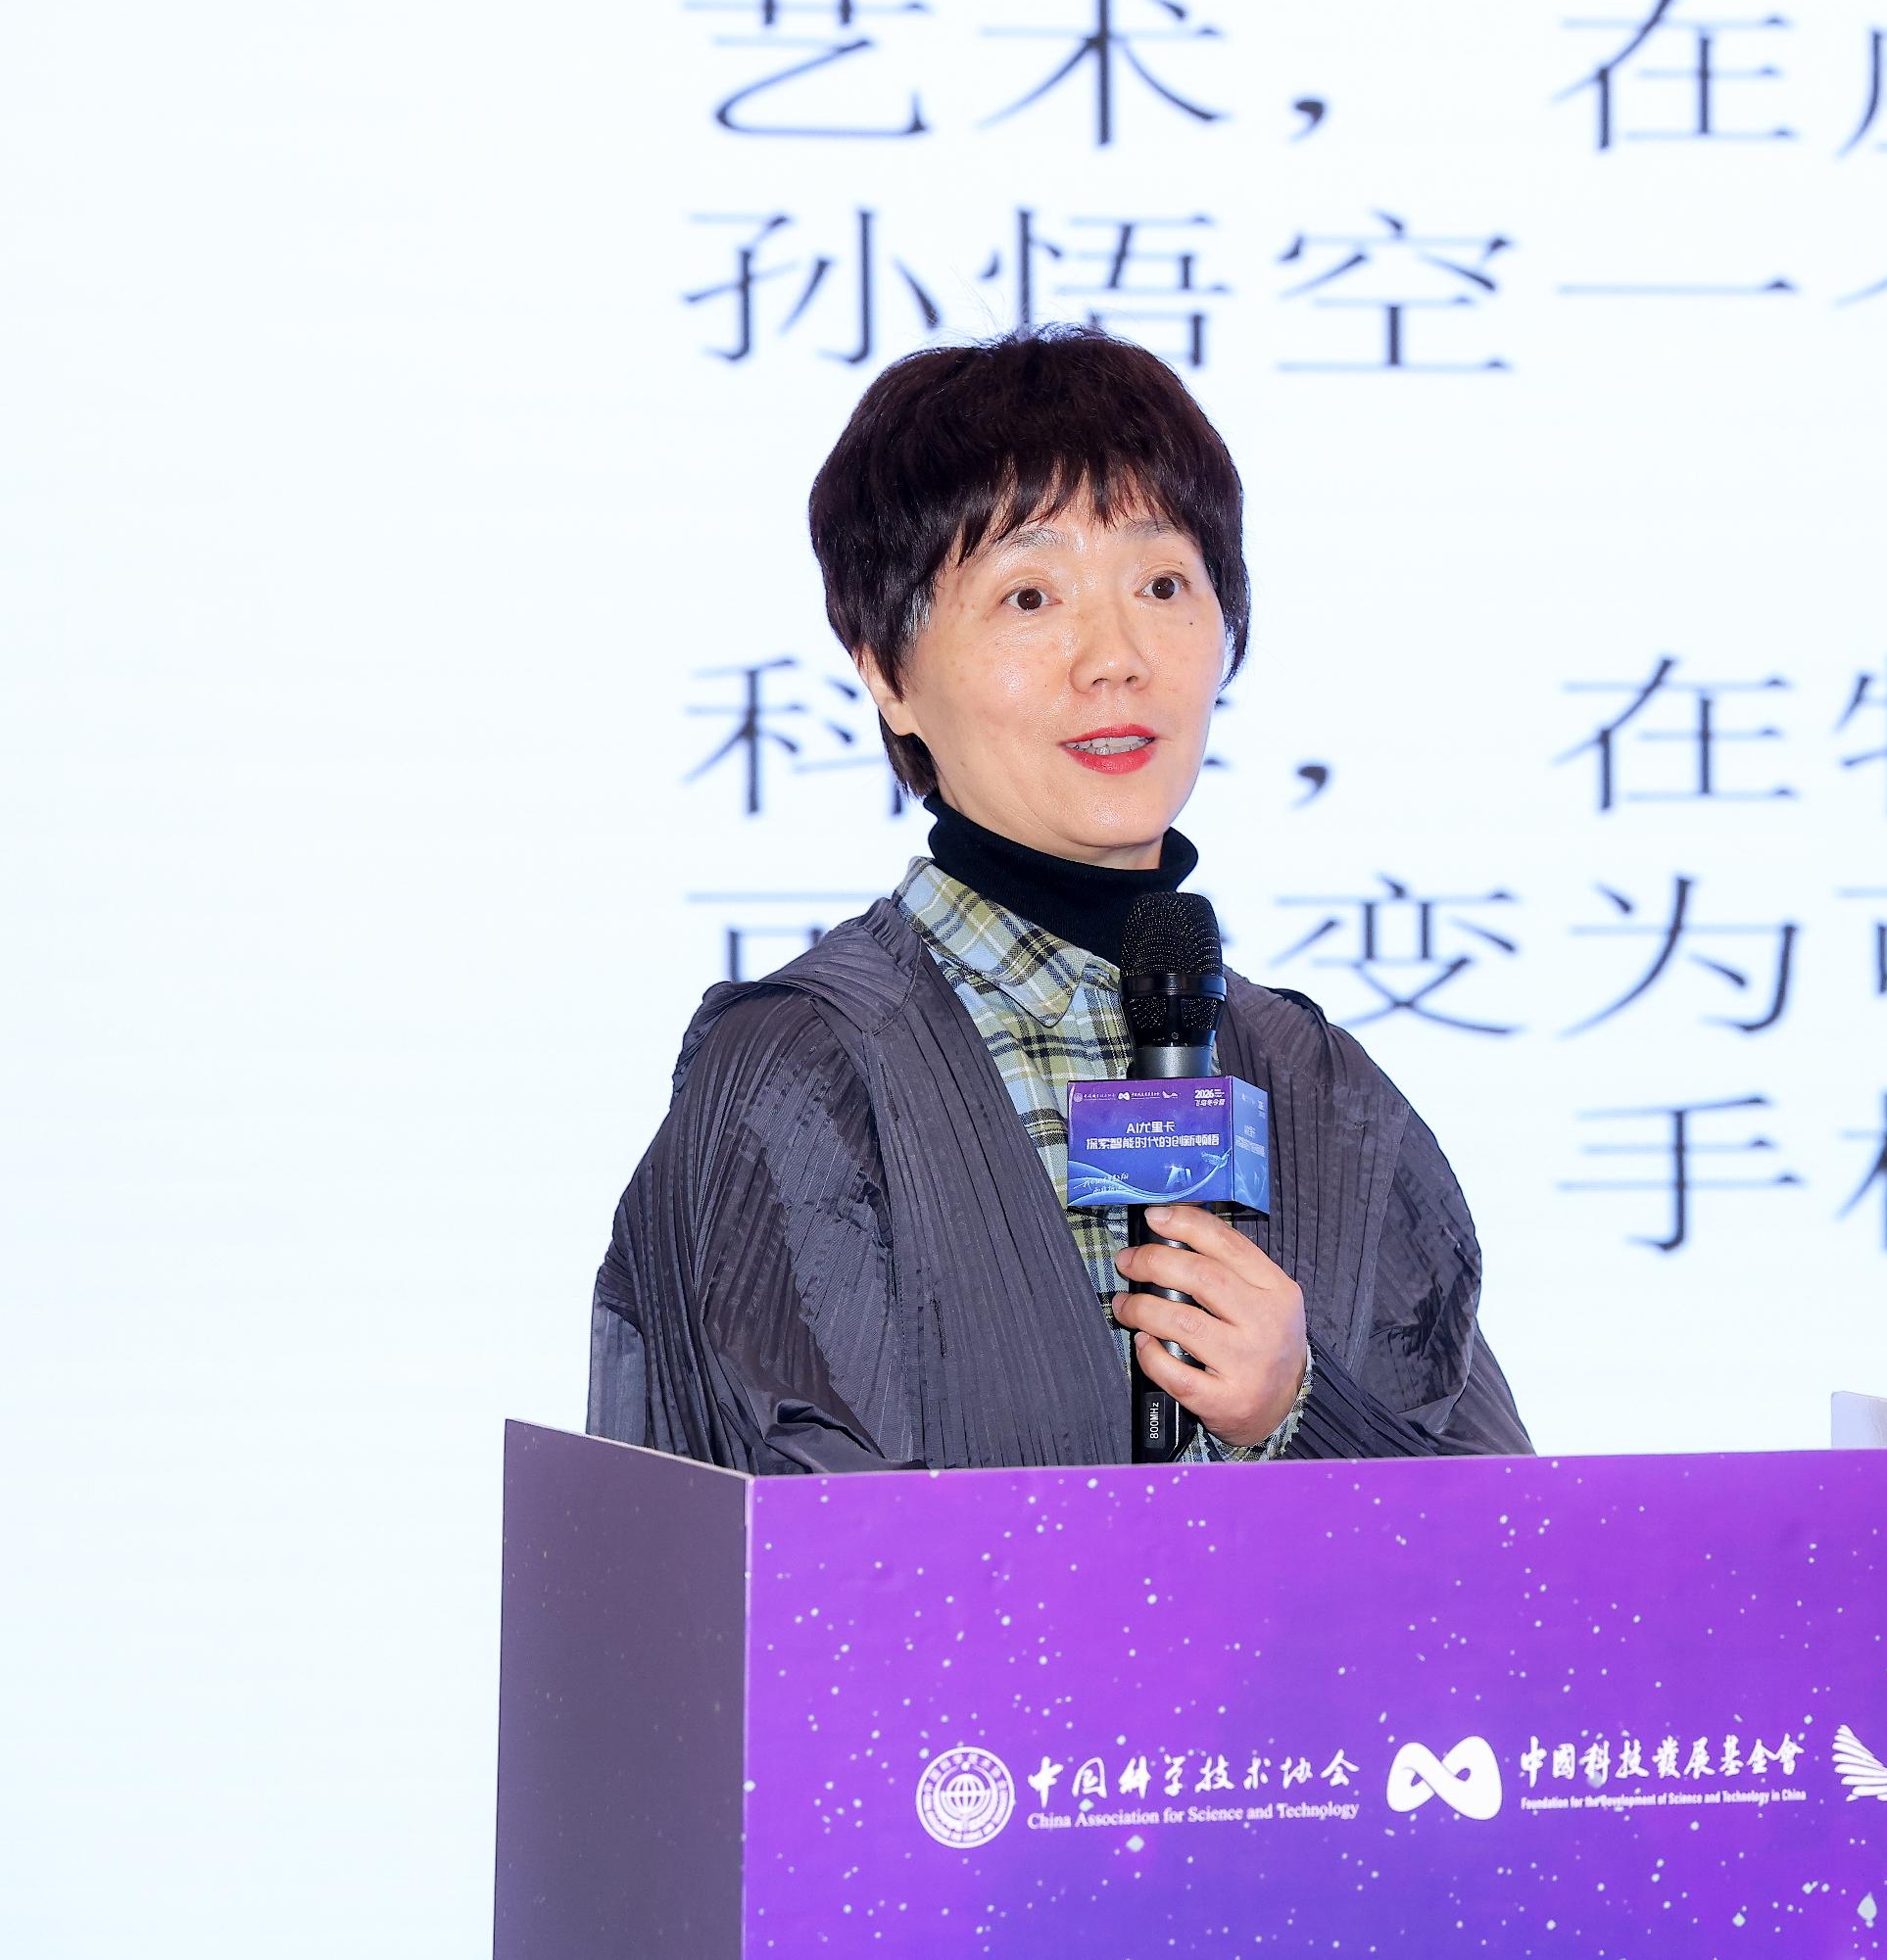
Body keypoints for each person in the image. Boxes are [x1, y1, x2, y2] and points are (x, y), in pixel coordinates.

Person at [589, 327, 1532, 1473]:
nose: (1114, 657)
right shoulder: (804, 1071)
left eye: (1162, 584)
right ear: (886, 671)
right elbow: (797, 1544)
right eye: (1029, 596)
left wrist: (1293, 1409)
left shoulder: (1320, 1088)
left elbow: (1507, 1550)